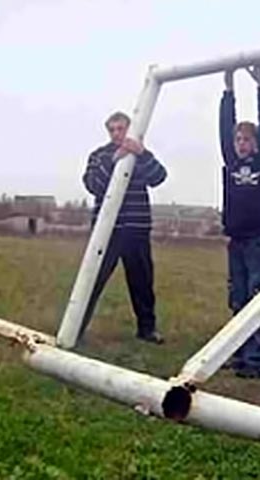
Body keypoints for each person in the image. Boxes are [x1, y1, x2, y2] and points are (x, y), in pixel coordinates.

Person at [80, 111, 166, 344]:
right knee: (92, 280)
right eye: (113, 130)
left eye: (121, 129)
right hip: (107, 231)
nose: (117, 133)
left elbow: (159, 177)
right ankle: (76, 327)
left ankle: (147, 329)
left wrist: (142, 153)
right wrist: (114, 160)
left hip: (136, 228)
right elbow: (93, 185)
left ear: (130, 129)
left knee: (142, 282)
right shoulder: (99, 156)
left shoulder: (140, 154)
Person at [219, 65, 260, 378]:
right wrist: (228, 87)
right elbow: (224, 125)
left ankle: (257, 361)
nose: (241, 143)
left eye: (246, 139)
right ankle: (240, 355)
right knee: (239, 299)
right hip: (237, 240)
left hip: (259, 240)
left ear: (256, 144)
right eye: (238, 139)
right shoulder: (230, 163)